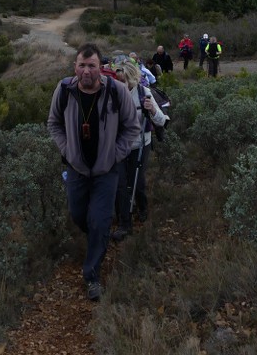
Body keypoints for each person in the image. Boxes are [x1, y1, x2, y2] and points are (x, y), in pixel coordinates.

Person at [47, 43, 140, 301]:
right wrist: (67, 151)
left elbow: (132, 127)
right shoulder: (64, 90)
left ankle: (92, 275)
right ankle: (97, 239)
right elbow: (53, 123)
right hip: (76, 169)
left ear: (101, 68)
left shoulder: (116, 91)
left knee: (99, 221)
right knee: (79, 215)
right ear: (75, 67)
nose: (86, 71)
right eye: (81, 65)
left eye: (92, 66)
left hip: (106, 171)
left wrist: (115, 154)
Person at [111, 60, 168, 241]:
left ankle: (142, 207)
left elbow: (161, 120)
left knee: (138, 182)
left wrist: (151, 110)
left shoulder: (144, 93)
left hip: (140, 144)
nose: (121, 84)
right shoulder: (110, 96)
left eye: (124, 80)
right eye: (118, 81)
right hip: (118, 147)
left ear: (132, 79)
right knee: (120, 183)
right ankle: (124, 223)